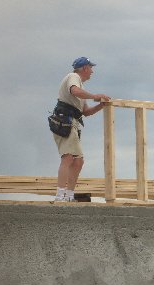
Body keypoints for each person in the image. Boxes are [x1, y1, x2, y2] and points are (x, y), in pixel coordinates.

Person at [52, 57, 111, 202]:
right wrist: (95, 96)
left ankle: (69, 195)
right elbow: (74, 91)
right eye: (91, 68)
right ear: (84, 68)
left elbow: (86, 112)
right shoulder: (73, 77)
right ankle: (60, 195)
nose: (92, 72)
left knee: (78, 162)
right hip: (64, 121)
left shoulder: (82, 88)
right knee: (68, 157)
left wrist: (101, 105)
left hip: (72, 123)